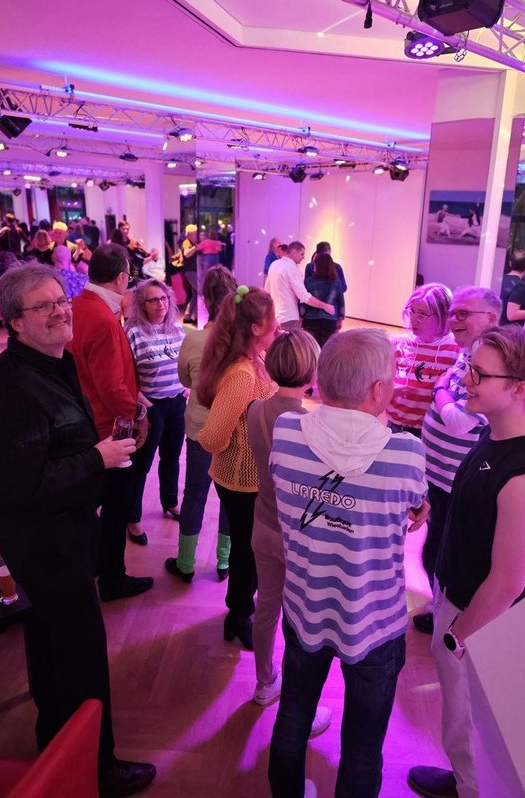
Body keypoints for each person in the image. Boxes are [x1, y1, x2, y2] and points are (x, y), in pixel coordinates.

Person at [0, 263, 156, 796]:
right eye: (43, 306)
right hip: (42, 541)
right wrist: (97, 459)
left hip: (66, 530)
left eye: (61, 300)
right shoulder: (8, 389)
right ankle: (95, 769)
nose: (60, 311)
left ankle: (57, 745)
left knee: (53, 645)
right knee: (80, 653)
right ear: (15, 322)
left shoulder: (57, 361)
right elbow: (22, 487)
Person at [268, 328, 428, 798]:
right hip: (373, 619)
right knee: (362, 745)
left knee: (293, 713)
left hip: (304, 603)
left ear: (320, 379)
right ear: (378, 390)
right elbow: (412, 501)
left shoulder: (287, 430)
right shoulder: (406, 452)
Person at [408, 325, 525, 798]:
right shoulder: (493, 436)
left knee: (469, 718)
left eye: (478, 373)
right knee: (460, 714)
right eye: (468, 367)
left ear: (519, 389)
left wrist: (458, 635)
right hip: (454, 597)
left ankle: (471, 788)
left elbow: (508, 581)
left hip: (477, 620)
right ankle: (463, 780)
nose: (464, 379)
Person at [246, 329, 331, 739]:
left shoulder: (255, 410)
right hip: (300, 536)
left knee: (266, 608)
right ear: (313, 370)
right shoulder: (311, 424)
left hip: (263, 523)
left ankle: (265, 683)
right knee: (302, 621)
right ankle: (300, 710)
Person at [68, 244, 154, 602]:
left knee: (97, 501)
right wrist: (138, 415)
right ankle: (113, 580)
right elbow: (111, 386)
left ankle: (94, 565)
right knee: (116, 505)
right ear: (121, 278)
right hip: (108, 427)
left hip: (83, 420)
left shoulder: (78, 306)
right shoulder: (104, 320)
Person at [413, 287, 501, 635]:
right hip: (439, 474)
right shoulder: (468, 354)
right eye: (453, 313)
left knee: (447, 550)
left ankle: (450, 617)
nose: (454, 320)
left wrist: (439, 391)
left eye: (464, 314)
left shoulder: (490, 363)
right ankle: (440, 606)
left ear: (491, 318)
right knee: (437, 544)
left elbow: (459, 421)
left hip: (454, 478)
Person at [197, 286, 278, 649]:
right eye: (273, 321)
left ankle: (241, 607)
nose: (278, 327)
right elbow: (212, 436)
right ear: (256, 327)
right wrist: (239, 442)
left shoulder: (254, 360)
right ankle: (239, 613)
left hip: (249, 477)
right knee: (248, 550)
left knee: (250, 547)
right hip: (241, 481)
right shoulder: (242, 374)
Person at [166, 265, 236, 582]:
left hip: (200, 429)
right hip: (234, 431)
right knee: (230, 497)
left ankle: (185, 564)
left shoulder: (193, 339)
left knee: (194, 494)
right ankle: (224, 561)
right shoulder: (243, 342)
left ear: (205, 299)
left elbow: (185, 380)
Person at [125, 279, 186, 545]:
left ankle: (170, 502)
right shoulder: (133, 332)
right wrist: (144, 406)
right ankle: (132, 517)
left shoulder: (177, 329)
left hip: (177, 403)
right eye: (153, 300)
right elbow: (125, 376)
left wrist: (188, 388)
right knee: (141, 464)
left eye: (163, 298)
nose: (160, 304)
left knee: (171, 457)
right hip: (150, 406)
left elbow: (188, 364)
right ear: (142, 304)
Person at [386, 282, 458, 438]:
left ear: (443, 316)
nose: (413, 319)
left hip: (431, 430)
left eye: (422, 314)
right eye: (412, 311)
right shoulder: (399, 344)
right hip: (395, 425)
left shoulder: (455, 351)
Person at [266, 240, 335, 331]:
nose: (303, 257)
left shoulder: (274, 265)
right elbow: (304, 296)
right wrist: (325, 306)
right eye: (302, 254)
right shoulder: (292, 268)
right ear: (294, 253)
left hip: (275, 316)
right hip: (289, 318)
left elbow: (267, 290)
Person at [301, 252, 345, 346]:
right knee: (326, 350)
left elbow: (304, 302)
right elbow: (341, 303)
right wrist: (340, 319)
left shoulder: (308, 282)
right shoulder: (336, 282)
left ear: (317, 266)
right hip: (329, 321)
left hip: (310, 321)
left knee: (312, 350)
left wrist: (301, 317)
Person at [499, 249, 525, 325]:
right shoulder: (520, 285)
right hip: (509, 329)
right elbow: (512, 315)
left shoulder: (501, 280)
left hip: (497, 326)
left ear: (510, 263)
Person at [181, 225, 200, 324]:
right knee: (201, 292)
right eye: (195, 233)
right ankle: (193, 317)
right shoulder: (186, 242)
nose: (196, 235)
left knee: (196, 294)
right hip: (190, 271)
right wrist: (196, 247)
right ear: (189, 234)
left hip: (194, 271)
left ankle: (188, 316)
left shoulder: (193, 243)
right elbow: (186, 254)